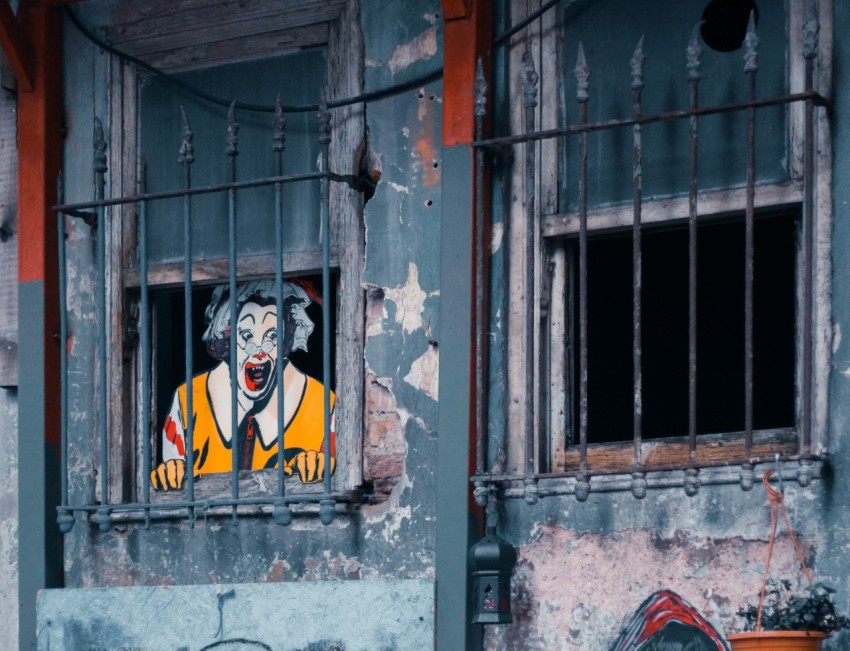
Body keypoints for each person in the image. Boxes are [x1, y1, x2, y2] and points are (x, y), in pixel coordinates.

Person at [150, 279, 335, 491]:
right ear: (227, 338)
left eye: (272, 335)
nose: (259, 350)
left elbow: (337, 478)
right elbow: (173, 486)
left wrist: (320, 464)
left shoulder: (323, 404)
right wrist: (171, 472)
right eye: (247, 335)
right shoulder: (187, 401)